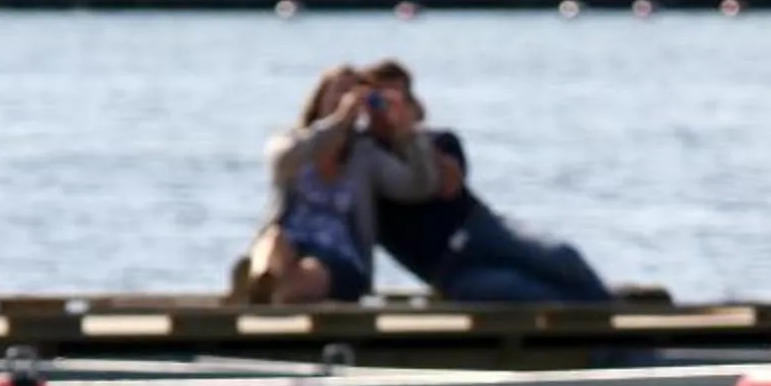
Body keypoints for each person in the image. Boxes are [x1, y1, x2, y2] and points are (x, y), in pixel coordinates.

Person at [365, 61, 613, 305]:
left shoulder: (441, 141)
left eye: (398, 99)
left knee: (563, 258)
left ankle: (626, 338)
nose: (388, 109)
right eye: (379, 101)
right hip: (451, 270)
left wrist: (408, 135)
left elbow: (448, 187)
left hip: (482, 230)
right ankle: (606, 342)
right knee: (528, 293)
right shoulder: (363, 162)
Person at [248, 64, 441, 305]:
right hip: (289, 247)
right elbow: (283, 160)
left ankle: (267, 295)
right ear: (320, 97)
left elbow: (417, 187)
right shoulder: (292, 141)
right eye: (339, 91)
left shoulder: (365, 153)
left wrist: (408, 135)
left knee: (311, 270)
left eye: (353, 94)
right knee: (274, 240)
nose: (346, 99)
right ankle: (262, 283)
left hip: (340, 257)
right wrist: (338, 122)